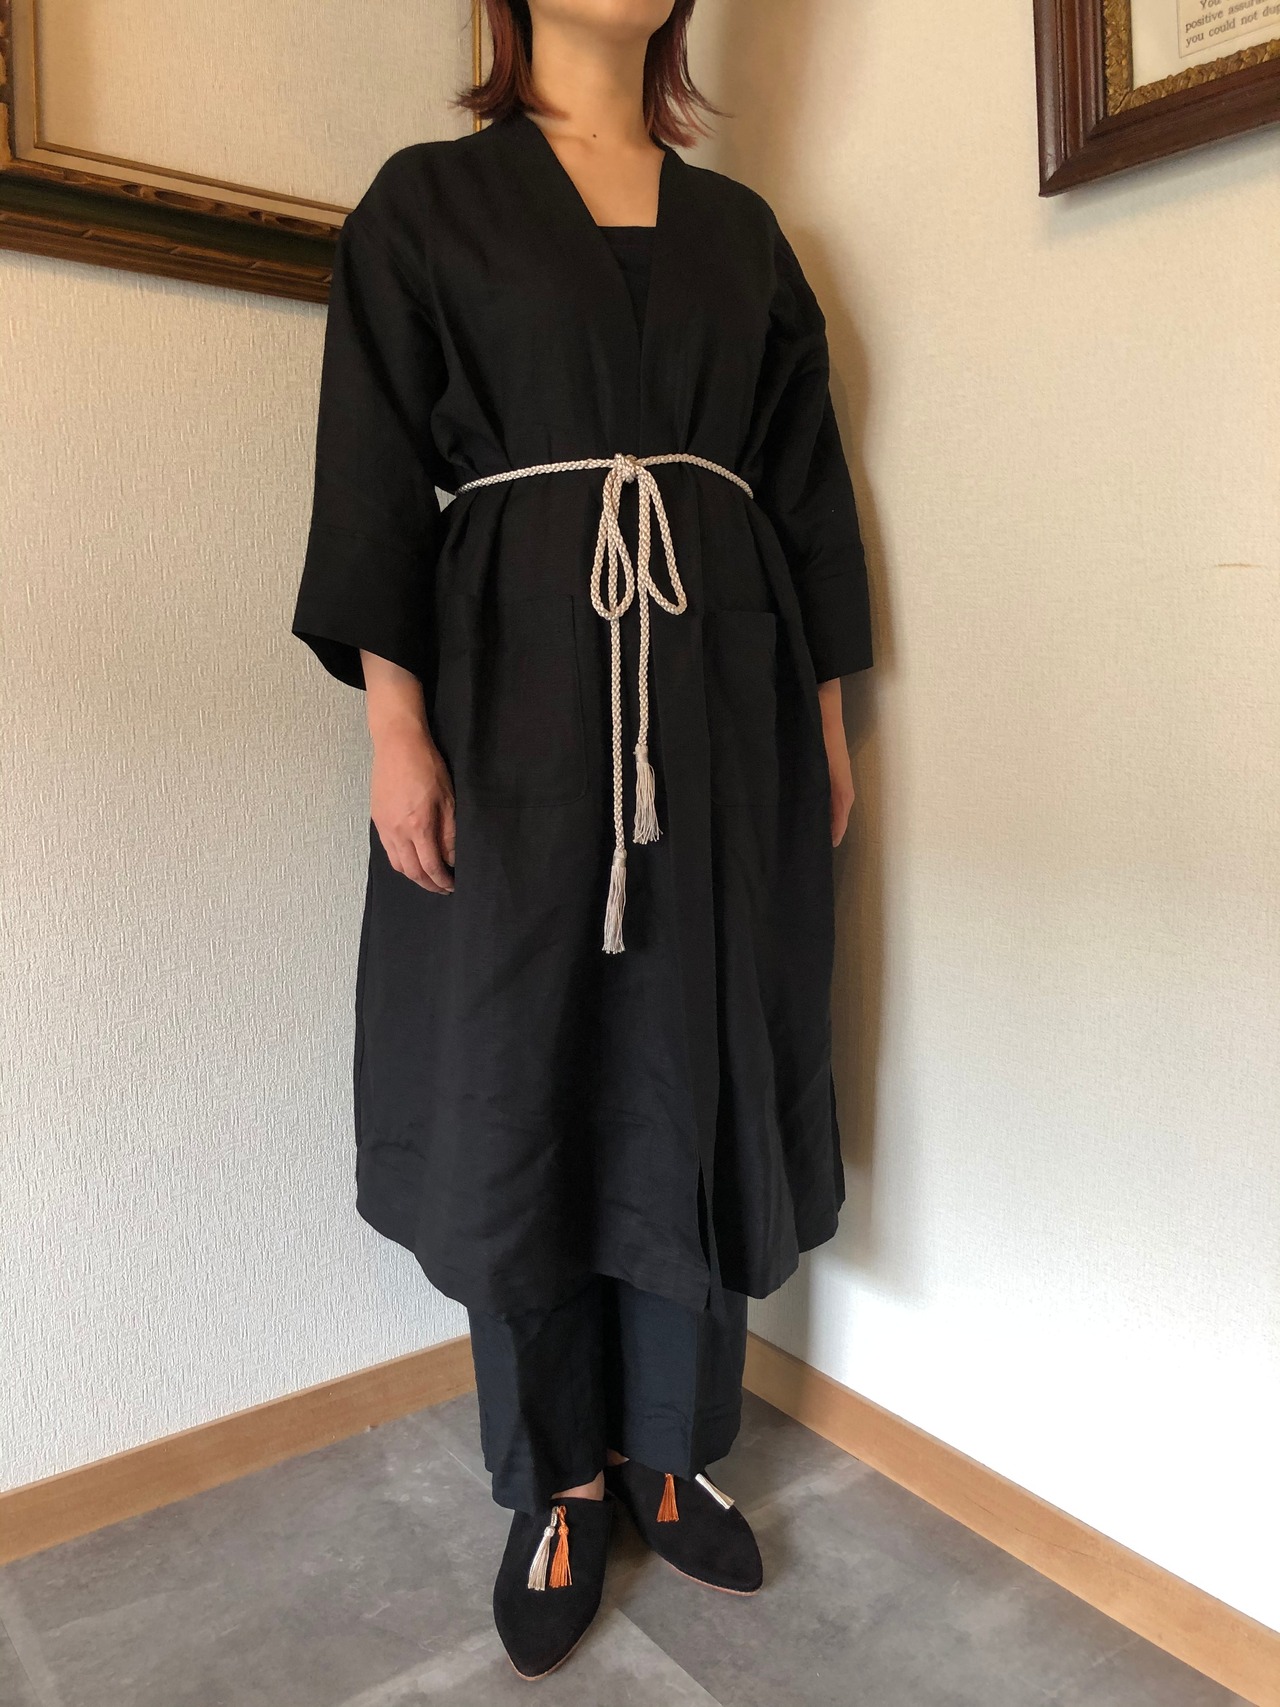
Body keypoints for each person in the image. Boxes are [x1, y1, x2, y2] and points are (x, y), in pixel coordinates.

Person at [291, 0, 873, 1680]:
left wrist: (826, 724)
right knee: (519, 1067)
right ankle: (553, 1475)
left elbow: (806, 492)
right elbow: (374, 473)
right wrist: (394, 728)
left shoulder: (744, 234)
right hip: (510, 703)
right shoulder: (427, 203)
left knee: (698, 1059)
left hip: (724, 707)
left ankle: (671, 1450)